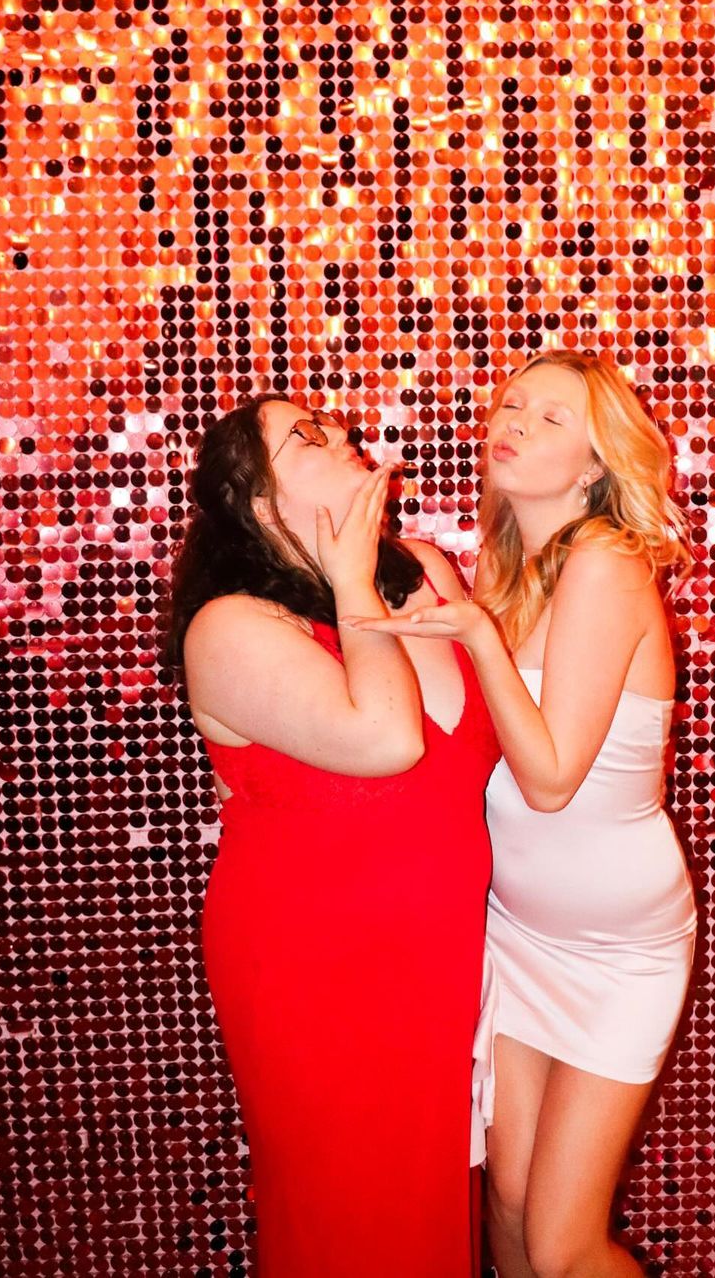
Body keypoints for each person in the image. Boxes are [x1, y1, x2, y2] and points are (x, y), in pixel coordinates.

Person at [345, 351, 696, 1278]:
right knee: (502, 1200)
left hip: (617, 949)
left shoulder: (605, 563)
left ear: (595, 463)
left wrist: (474, 636)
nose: (515, 423)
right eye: (511, 405)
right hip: (518, 931)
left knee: (560, 1243)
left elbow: (548, 779)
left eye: (550, 418)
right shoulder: (506, 575)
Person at [161, 394, 500, 1278]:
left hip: (447, 962)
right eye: (307, 437)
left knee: (430, 1215)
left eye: (338, 427)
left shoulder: (427, 573)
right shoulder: (231, 626)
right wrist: (352, 584)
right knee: (349, 1219)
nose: (343, 437)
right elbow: (386, 741)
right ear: (255, 499)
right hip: (315, 972)